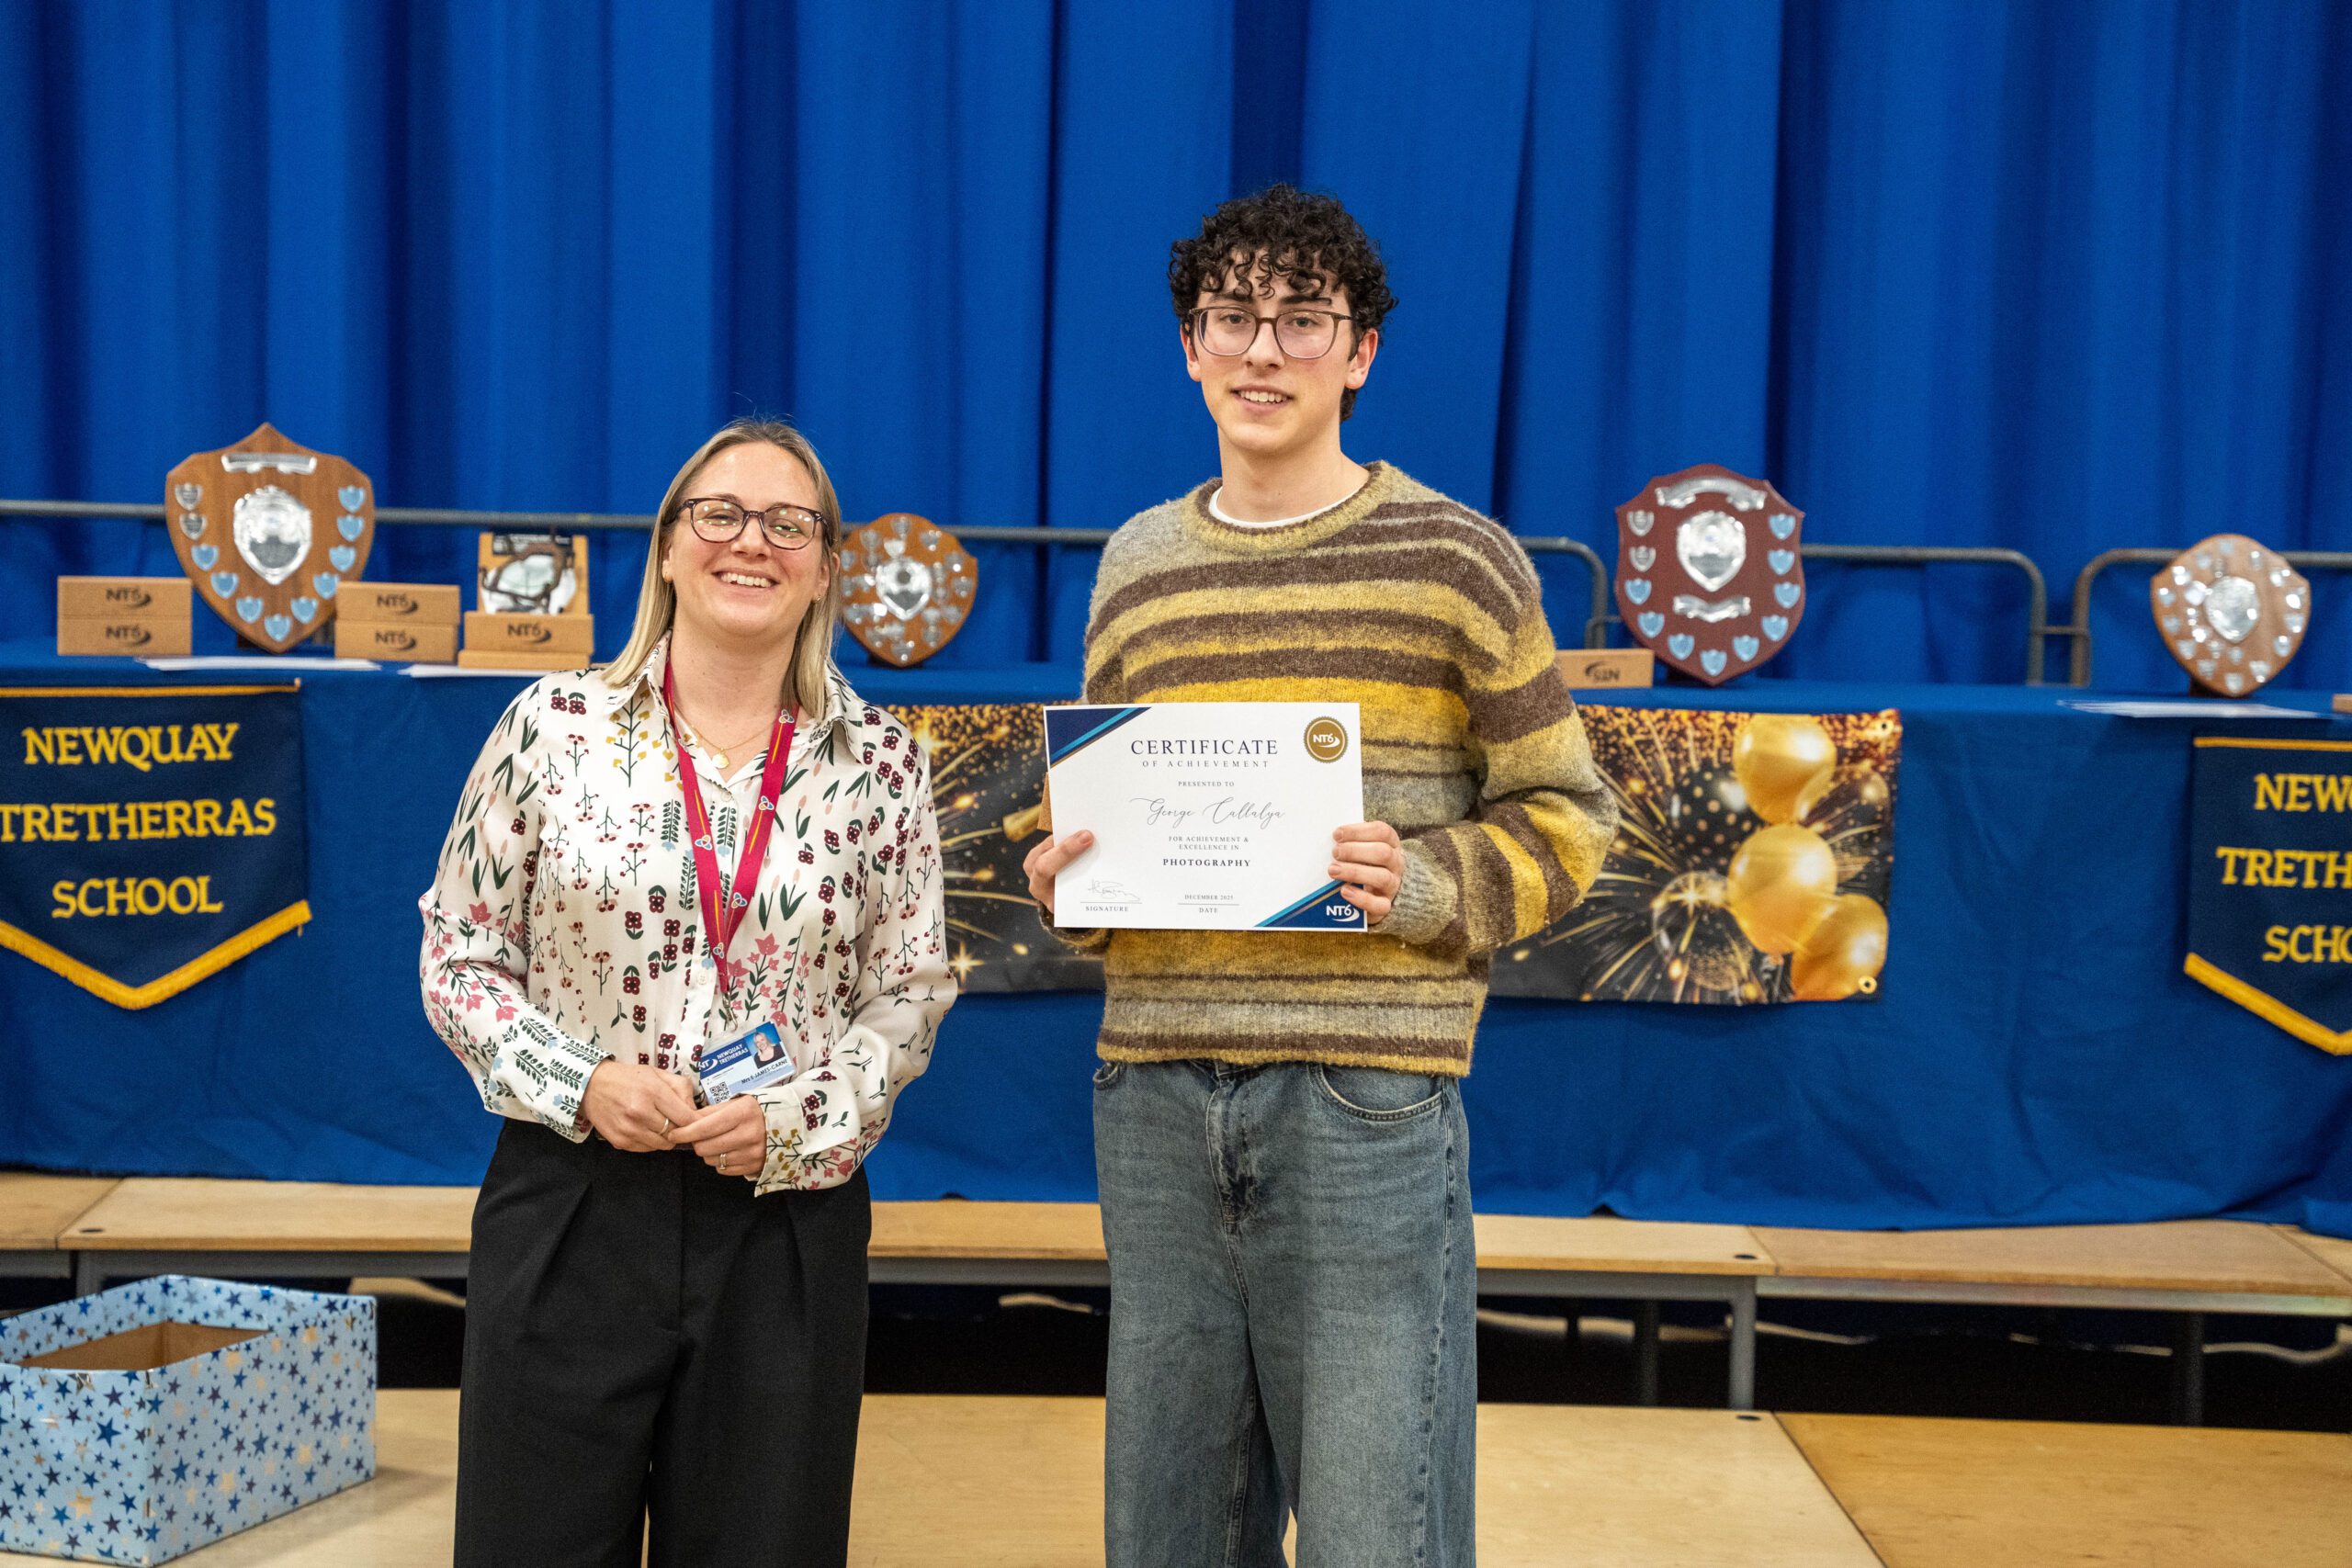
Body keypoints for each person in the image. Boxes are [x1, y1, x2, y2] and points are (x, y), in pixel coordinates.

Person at [1023, 185, 1617, 1567]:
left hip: (1367, 1099)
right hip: (1154, 1094)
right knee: (1165, 1528)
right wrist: (1073, 883)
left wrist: (1423, 880)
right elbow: (1104, 819)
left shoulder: (1459, 560)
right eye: (1232, 317)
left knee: (1372, 1528)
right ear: (1189, 345)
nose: (1264, 349)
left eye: (1304, 319)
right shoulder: (1136, 567)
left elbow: (1569, 819)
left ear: (1360, 352)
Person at [421, 418, 955, 1568]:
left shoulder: (882, 764)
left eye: (787, 524)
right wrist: (579, 1082)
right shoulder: (548, 730)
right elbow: (457, 955)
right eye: (719, 514)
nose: (750, 542)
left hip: (783, 1222)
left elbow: (909, 991)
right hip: (572, 1201)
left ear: (825, 568)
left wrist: (798, 1119)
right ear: (668, 547)